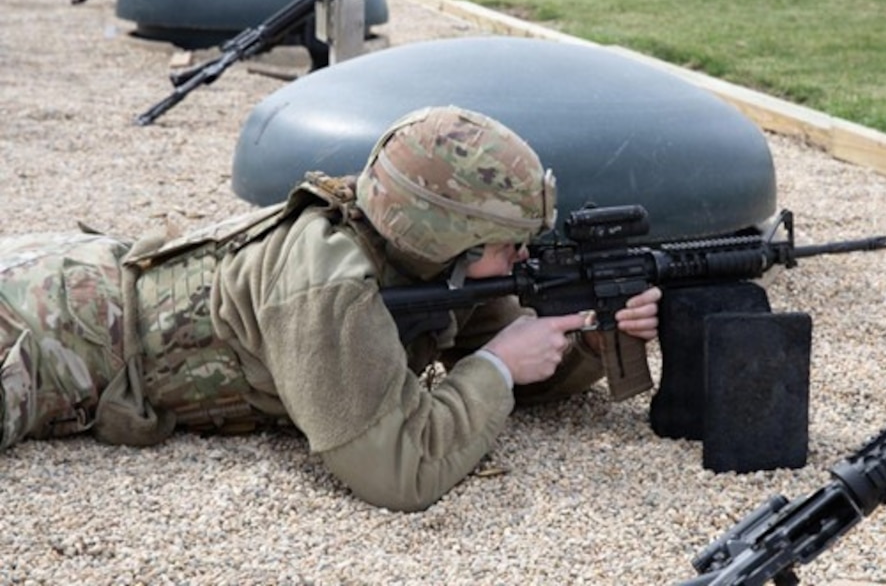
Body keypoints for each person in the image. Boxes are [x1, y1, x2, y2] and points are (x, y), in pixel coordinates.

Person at [0, 105, 661, 511]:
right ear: (446, 238)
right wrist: (491, 370)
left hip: (79, 277)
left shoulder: (417, 256)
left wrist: (588, 348)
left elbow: (516, 349)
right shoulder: (329, 284)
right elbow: (397, 472)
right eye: (508, 246)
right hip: (57, 338)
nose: (521, 259)